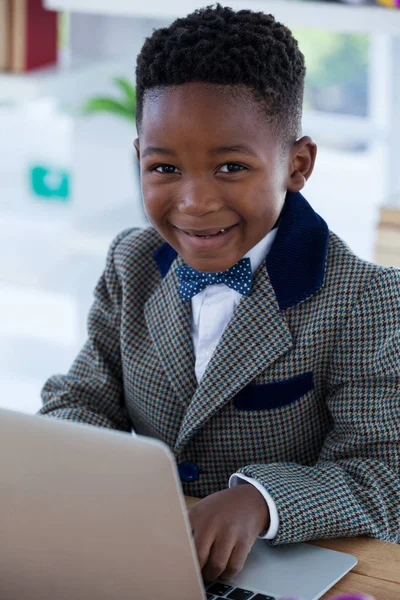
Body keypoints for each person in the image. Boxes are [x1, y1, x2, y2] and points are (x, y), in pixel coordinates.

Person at [39, 3, 400, 584]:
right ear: (139, 159)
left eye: (231, 166)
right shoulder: (132, 264)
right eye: (164, 168)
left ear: (297, 164)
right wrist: (89, 477)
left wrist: (260, 500)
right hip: (144, 551)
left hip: (279, 570)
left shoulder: (364, 299)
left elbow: (385, 474)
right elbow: (82, 399)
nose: (194, 202)